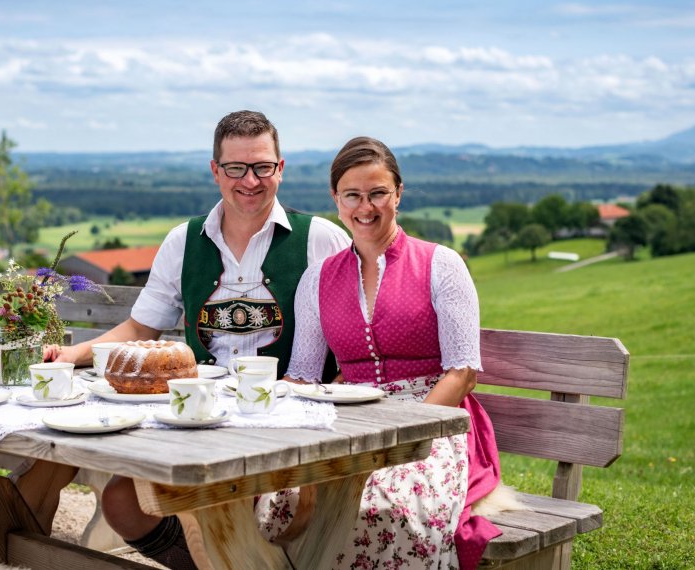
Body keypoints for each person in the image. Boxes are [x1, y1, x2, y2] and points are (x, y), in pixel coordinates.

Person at [45, 110, 350, 569]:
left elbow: (356, 328)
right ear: (215, 170)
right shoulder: (183, 241)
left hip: (284, 423)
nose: (250, 180)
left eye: (262, 166)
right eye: (236, 168)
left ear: (280, 168)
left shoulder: (320, 239)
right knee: (123, 502)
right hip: (199, 416)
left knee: (210, 505)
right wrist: (73, 354)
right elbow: (141, 329)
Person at [256, 136, 504, 570]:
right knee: (277, 497)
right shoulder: (318, 279)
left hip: (433, 422)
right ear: (336, 199)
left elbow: (463, 373)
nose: (365, 207)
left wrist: (406, 432)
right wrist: (256, 405)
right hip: (350, 423)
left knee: (377, 504)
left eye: (378, 193)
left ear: (398, 194)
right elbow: (304, 375)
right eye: (352, 195)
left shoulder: (441, 265)